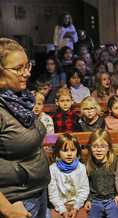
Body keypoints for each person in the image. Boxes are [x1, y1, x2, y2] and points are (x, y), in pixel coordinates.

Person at [0, 38, 50, 218]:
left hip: (37, 193)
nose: (27, 73)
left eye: (27, 66)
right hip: (15, 202)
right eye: (18, 68)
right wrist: (7, 209)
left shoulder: (20, 99)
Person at [48, 133, 89, 218]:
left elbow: (84, 190)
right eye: (65, 150)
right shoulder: (53, 169)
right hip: (59, 206)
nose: (69, 154)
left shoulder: (81, 168)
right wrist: (62, 210)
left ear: (77, 151)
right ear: (58, 151)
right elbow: (53, 194)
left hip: (78, 204)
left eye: (73, 150)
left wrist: (76, 207)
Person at [84, 129, 118, 218]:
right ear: (90, 147)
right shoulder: (88, 163)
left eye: (103, 146)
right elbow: (86, 183)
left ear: (108, 147)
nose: (99, 150)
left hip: (111, 199)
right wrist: (88, 199)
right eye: (95, 146)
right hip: (95, 200)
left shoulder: (115, 161)